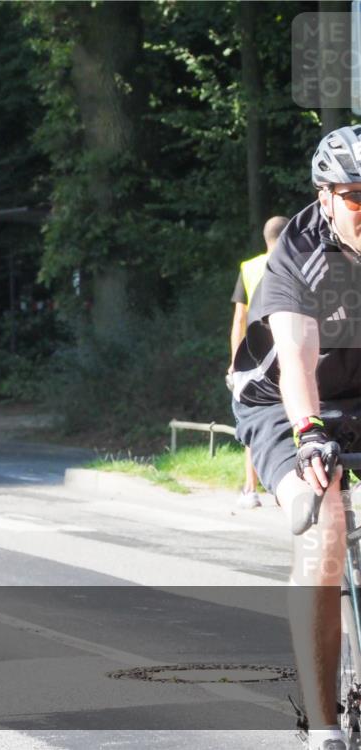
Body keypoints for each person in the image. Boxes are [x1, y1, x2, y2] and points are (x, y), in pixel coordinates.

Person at [232, 125, 361, 750]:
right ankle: (323, 721)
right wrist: (310, 434)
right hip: (283, 401)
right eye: (358, 194)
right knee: (323, 517)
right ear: (326, 196)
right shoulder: (297, 255)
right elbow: (297, 357)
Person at [228, 215, 289, 509]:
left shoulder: (250, 267)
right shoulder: (298, 260)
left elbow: (240, 317)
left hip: (257, 352)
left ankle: (251, 487)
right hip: (290, 345)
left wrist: (233, 362)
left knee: (256, 418)